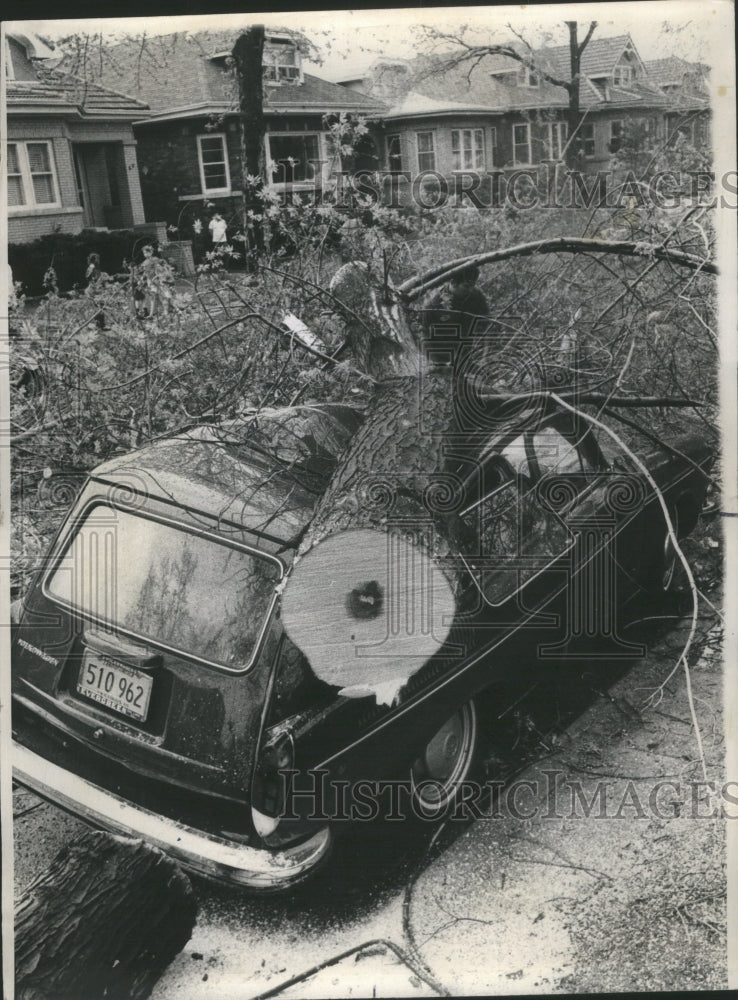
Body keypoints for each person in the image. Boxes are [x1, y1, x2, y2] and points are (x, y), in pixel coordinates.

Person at [419, 264, 490, 341]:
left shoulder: (476, 296)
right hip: (442, 347)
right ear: (453, 283)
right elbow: (424, 331)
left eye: (472, 285)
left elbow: (485, 320)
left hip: (468, 345)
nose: (470, 290)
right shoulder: (434, 302)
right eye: (466, 286)